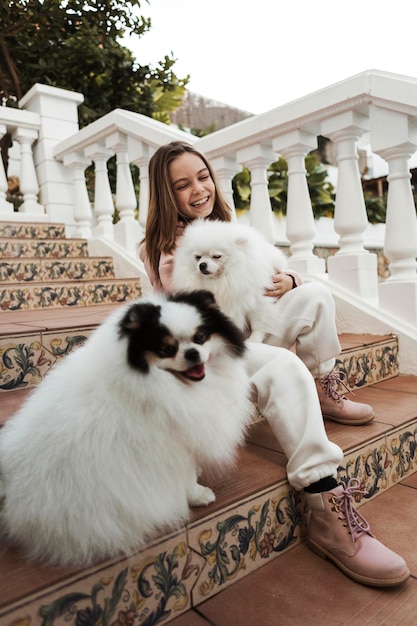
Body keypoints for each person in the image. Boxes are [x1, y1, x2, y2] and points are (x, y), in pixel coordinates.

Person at [139, 140, 409, 587]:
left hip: (252, 329)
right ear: (166, 195)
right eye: (182, 185)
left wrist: (287, 280)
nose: (198, 189)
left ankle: (325, 388)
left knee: (314, 294)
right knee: (284, 368)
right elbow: (193, 318)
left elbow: (262, 276)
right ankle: (324, 503)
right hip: (216, 352)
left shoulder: (228, 228)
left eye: (203, 176)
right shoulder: (166, 249)